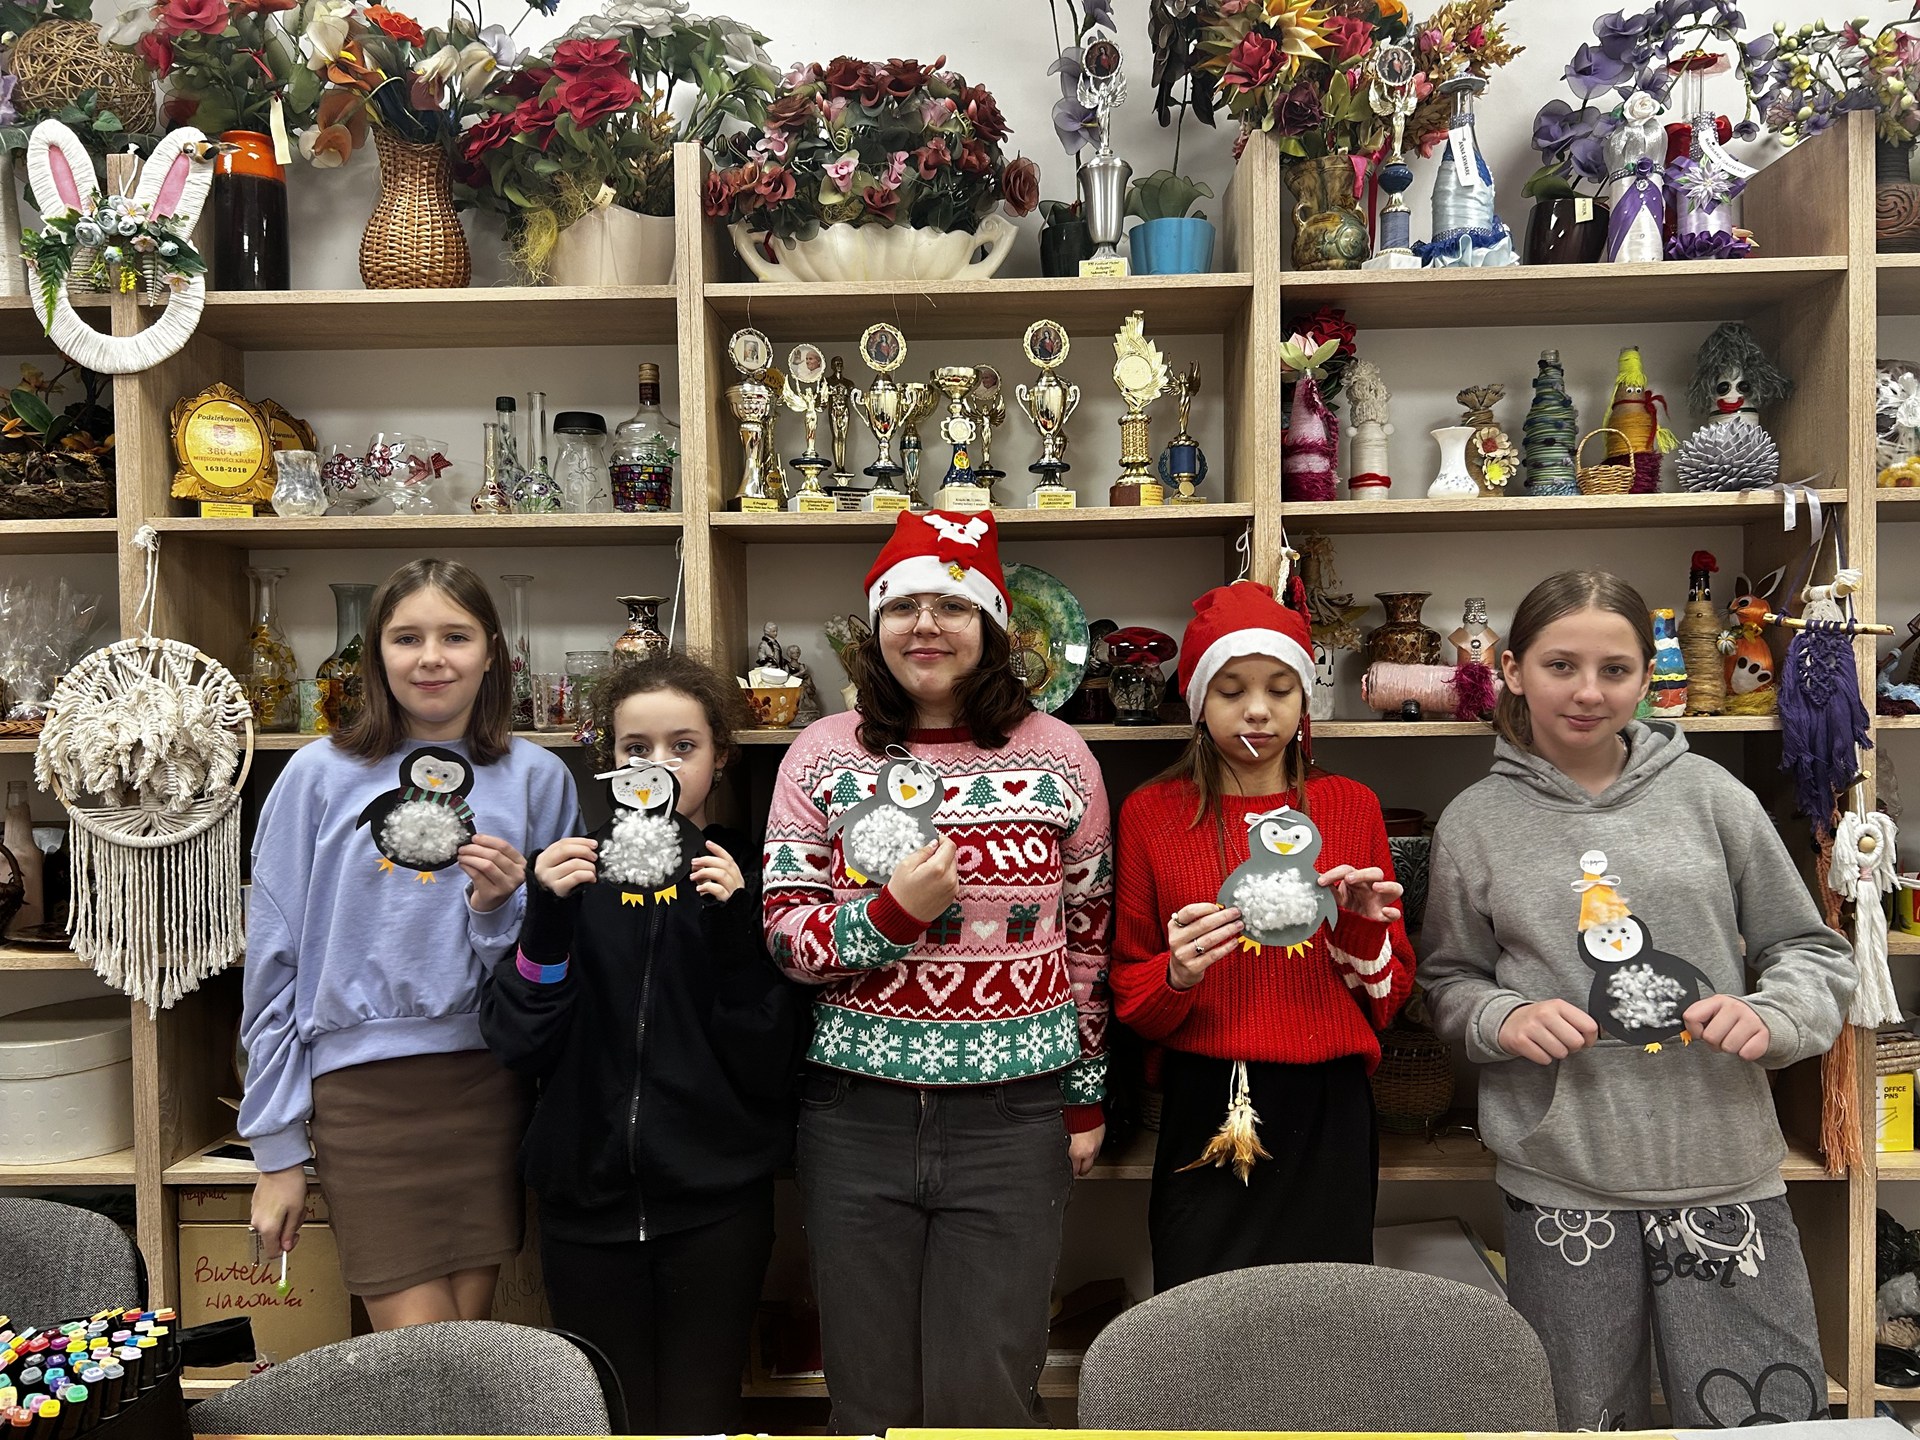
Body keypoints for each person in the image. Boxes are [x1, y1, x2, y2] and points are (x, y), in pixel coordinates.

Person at [1420, 569, 1854, 1430]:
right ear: (1512, 670)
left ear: (1647, 678)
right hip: (1563, 1181)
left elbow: (1809, 949)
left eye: (1614, 670)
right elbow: (1447, 979)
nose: (1588, 692)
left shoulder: (1714, 797)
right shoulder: (1474, 822)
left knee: (1764, 1416)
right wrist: (1504, 1017)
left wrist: (1771, 1015)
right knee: (1580, 1420)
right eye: (1561, 665)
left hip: (1723, 1165)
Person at [763, 509, 1111, 1431]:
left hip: (1014, 1116)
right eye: (903, 607)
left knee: (985, 1391)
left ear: (992, 626)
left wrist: (1084, 1095)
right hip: (856, 1112)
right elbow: (787, 939)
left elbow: (1087, 939)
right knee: (867, 1392)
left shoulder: (1058, 755)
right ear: (875, 627)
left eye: (952, 607)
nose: (926, 625)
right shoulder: (822, 753)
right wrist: (892, 916)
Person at [241, 559, 578, 1329]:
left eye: (455, 637)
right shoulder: (316, 775)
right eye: (407, 638)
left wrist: (495, 910)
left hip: (490, 1090)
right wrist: (277, 1149)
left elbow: (548, 973)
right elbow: (273, 963)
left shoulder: (539, 779)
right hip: (360, 1099)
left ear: (491, 653)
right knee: (425, 1355)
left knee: (462, 1349)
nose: (432, 658)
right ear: (376, 654)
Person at [480, 652, 804, 1433]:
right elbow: (520, 1041)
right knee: (610, 1416)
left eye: (682, 746)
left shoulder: (747, 877)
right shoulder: (571, 874)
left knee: (700, 1415)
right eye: (636, 748)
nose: (657, 766)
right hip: (583, 1205)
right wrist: (546, 925)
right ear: (609, 761)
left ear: (720, 757)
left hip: (715, 1208)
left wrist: (735, 938)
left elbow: (771, 1061)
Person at [1109, 581, 1411, 1292]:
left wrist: (1361, 926)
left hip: (1328, 1098)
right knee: (1198, 1308)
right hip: (1205, 1093)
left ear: (1304, 700)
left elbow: (1390, 998)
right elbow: (1130, 998)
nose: (1257, 709)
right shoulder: (1152, 814)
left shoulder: (1350, 806)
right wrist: (1177, 973)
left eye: (1280, 689)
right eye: (1231, 690)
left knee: (1326, 1312)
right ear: (1196, 703)